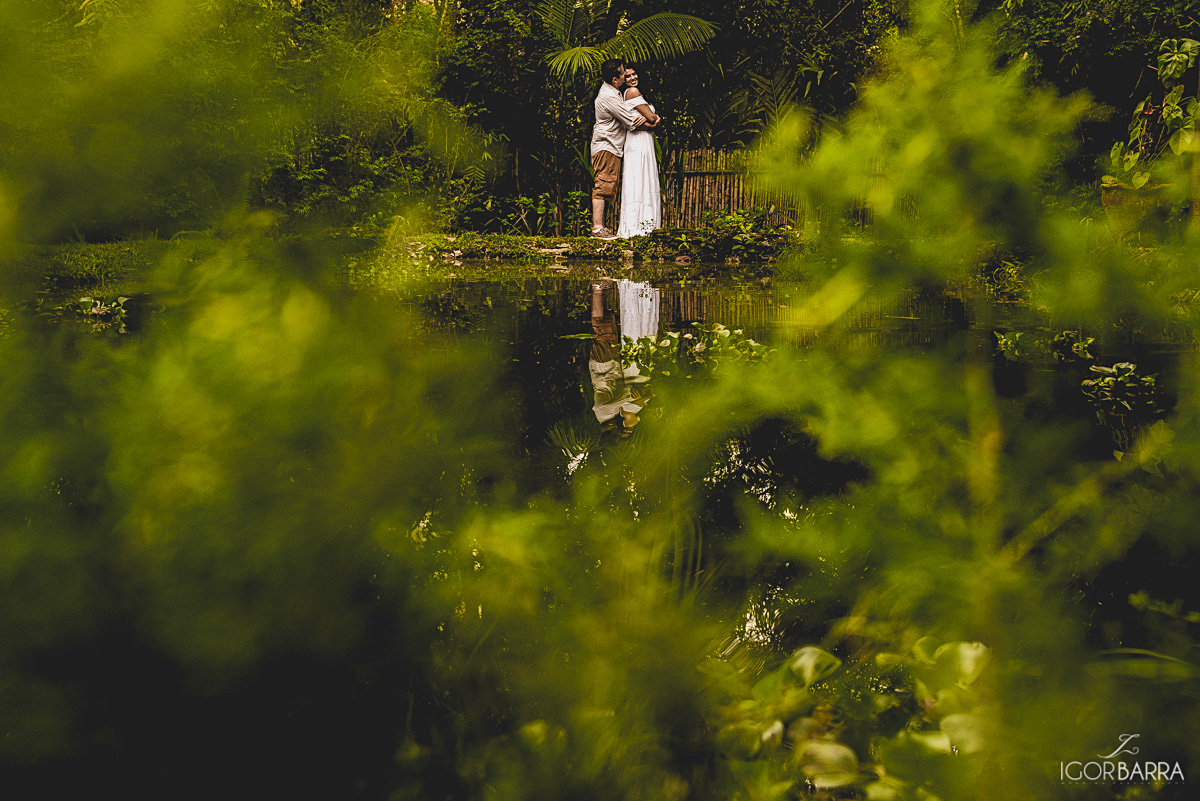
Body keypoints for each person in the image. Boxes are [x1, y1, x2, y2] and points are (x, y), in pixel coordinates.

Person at [590, 59, 658, 240]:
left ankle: (601, 227)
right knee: (603, 184)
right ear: (615, 79)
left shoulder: (614, 92)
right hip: (607, 144)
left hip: (612, 145)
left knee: (608, 184)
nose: (627, 77)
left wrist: (650, 119)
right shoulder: (610, 96)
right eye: (623, 74)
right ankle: (598, 228)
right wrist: (653, 122)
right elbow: (629, 121)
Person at [615, 65, 662, 239]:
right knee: (638, 177)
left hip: (644, 139)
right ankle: (637, 227)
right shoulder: (632, 92)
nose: (632, 78)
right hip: (638, 139)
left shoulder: (635, 93)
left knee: (644, 177)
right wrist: (654, 120)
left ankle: (645, 225)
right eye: (627, 76)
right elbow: (651, 118)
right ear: (623, 80)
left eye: (634, 74)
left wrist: (652, 119)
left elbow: (649, 118)